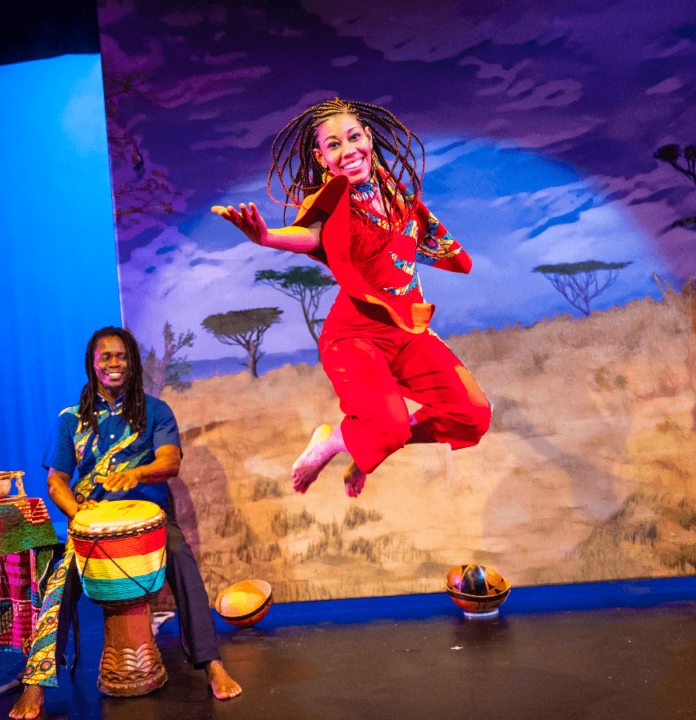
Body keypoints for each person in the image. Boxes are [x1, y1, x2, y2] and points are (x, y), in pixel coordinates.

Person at [212, 98, 492, 498]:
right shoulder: (335, 198)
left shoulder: (397, 195)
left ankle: (363, 448)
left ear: (369, 138)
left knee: (472, 415)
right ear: (321, 158)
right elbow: (310, 235)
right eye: (333, 145)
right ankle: (331, 443)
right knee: (390, 425)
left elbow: (422, 242)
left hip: (407, 330)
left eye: (353, 137)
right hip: (354, 336)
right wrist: (267, 237)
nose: (347, 151)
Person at [10, 327, 240, 720]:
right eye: (106, 357)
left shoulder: (155, 411)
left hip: (151, 523)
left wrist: (137, 474)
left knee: (183, 559)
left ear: (132, 362)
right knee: (58, 583)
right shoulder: (70, 419)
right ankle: (36, 684)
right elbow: (56, 482)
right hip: (90, 526)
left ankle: (211, 663)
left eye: (122, 356)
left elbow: (170, 462)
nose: (114, 364)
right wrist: (78, 514)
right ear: (93, 363)